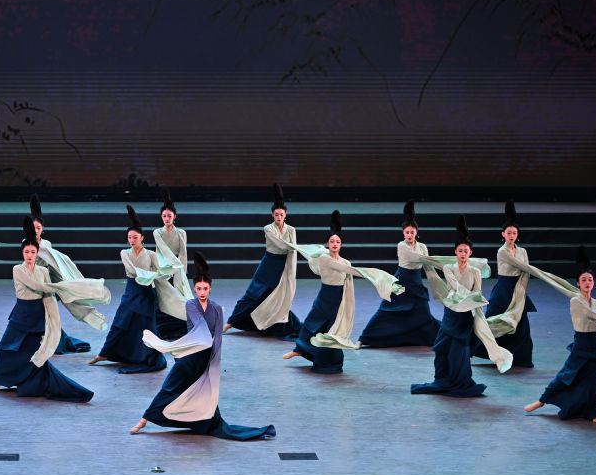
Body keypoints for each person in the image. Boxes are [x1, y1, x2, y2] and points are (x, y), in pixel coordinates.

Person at [130, 252, 275, 440]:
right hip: (190, 353)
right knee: (171, 386)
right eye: (198, 288)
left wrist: (213, 365)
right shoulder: (191, 306)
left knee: (201, 391)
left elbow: (217, 339)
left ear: (210, 289)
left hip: (204, 356)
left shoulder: (216, 309)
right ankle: (144, 420)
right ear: (195, 289)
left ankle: (200, 419)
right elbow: (197, 331)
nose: (202, 292)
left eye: (205, 288)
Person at [0, 218, 99, 401]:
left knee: (33, 353)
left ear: (37, 253)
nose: (30, 255)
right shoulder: (17, 269)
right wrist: (60, 288)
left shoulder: (43, 271)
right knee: (5, 348)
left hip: (37, 315)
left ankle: (33, 382)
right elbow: (35, 285)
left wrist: (53, 320)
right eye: (27, 252)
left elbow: (48, 297)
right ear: (22, 253)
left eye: (33, 252)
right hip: (21, 313)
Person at [283, 211, 403, 374]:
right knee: (312, 322)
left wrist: (383, 280)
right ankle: (298, 349)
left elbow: (348, 275)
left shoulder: (346, 262)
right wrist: (378, 277)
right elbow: (350, 270)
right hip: (325, 296)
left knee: (331, 330)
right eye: (332, 241)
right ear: (327, 244)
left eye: (337, 241)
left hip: (338, 299)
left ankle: (329, 361)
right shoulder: (325, 259)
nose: (334, 244)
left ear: (341, 245)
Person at [411, 217, 511, 397]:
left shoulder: (475, 271)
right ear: (455, 252)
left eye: (466, 251)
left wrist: (475, 304)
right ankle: (442, 378)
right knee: (442, 347)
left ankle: (460, 380)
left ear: (470, 252)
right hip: (451, 312)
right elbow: (455, 286)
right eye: (460, 250)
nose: (463, 253)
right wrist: (468, 298)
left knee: (460, 350)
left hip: (465, 315)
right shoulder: (449, 268)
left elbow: (477, 291)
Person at [525, 246, 596, 421]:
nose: (587, 282)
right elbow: (594, 315)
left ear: (593, 283)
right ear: (578, 283)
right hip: (582, 345)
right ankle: (542, 401)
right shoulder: (576, 301)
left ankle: (594, 411)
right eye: (583, 280)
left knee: (593, 380)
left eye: (590, 279)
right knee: (565, 375)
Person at [87, 206, 186, 373]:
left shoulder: (151, 254)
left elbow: (160, 273)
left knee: (147, 328)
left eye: (135, 237)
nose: (132, 240)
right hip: (131, 292)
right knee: (120, 323)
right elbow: (132, 271)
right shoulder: (125, 253)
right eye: (129, 237)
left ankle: (147, 356)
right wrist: (151, 274)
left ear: (142, 238)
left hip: (146, 294)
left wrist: (168, 270)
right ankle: (104, 354)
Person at [28, 194, 111, 354]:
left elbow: (54, 264)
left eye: (38, 228)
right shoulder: (26, 243)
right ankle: (38, 342)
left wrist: (61, 283)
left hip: (45, 284)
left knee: (44, 315)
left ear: (43, 229)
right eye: (33, 228)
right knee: (34, 314)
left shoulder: (46, 244)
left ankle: (51, 342)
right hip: (30, 284)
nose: (36, 231)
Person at [224, 183, 301, 340]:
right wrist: (300, 248)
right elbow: (281, 245)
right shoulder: (268, 228)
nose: (279, 217)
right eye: (276, 214)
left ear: (285, 215)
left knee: (275, 297)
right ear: (272, 215)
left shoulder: (291, 230)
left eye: (281, 214)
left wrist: (290, 274)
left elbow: (292, 253)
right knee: (252, 294)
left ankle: (271, 323)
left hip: (283, 266)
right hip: (269, 264)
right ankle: (231, 322)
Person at [359, 201, 440, 347]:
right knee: (386, 309)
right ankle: (364, 338)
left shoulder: (422, 246)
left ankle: (435, 338)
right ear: (403, 233)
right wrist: (440, 262)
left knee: (423, 312)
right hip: (401, 281)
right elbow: (418, 258)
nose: (409, 235)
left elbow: (428, 265)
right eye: (407, 232)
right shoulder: (402, 246)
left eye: (412, 232)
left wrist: (437, 283)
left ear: (416, 233)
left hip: (416, 282)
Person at [472, 201, 535, 367]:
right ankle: (481, 349)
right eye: (509, 233)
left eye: (514, 233)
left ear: (517, 234)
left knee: (521, 323)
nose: (511, 235)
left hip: (518, 289)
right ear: (503, 234)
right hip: (503, 289)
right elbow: (522, 267)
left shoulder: (522, 251)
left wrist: (521, 293)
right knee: (493, 320)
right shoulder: (502, 251)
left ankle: (520, 357)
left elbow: (526, 272)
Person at [152, 186, 192, 340]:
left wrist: (181, 270)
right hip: (163, 268)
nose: (166, 218)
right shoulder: (157, 232)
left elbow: (183, 253)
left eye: (169, 216)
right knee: (163, 299)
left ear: (175, 216)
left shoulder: (181, 233)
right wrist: (173, 266)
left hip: (178, 269)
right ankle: (163, 329)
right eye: (164, 216)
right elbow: (163, 251)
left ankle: (181, 328)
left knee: (179, 297)